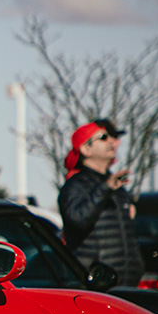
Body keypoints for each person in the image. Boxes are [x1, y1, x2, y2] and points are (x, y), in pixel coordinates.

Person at [58, 118, 144, 287]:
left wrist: (137, 265)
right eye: (104, 138)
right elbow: (77, 220)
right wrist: (105, 188)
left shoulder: (116, 185)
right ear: (85, 149)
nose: (113, 142)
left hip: (125, 282)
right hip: (96, 283)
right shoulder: (76, 184)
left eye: (113, 138)